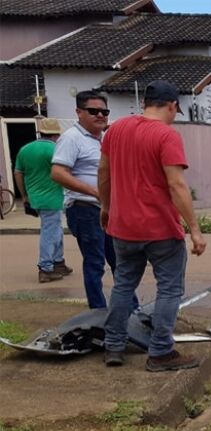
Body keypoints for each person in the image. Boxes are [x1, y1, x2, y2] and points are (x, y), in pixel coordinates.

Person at [99, 80, 206, 372]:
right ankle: (160, 353)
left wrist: (107, 208)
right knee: (169, 290)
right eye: (176, 110)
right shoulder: (166, 135)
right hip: (160, 230)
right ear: (172, 105)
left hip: (122, 228)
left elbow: (103, 172)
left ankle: (114, 346)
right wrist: (194, 228)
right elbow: (176, 184)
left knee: (123, 285)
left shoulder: (116, 130)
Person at [51, 90, 115, 307]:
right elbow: (58, 173)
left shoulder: (104, 138)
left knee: (119, 261)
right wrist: (95, 192)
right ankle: (97, 312)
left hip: (107, 209)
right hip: (85, 209)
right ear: (79, 112)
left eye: (104, 111)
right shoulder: (72, 138)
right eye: (93, 111)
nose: (100, 115)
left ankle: (129, 308)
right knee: (95, 262)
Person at [14, 118, 71, 282]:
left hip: (35, 198)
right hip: (52, 197)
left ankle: (59, 262)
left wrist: (24, 195)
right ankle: (45, 268)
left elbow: (18, 173)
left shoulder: (25, 149)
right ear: (56, 134)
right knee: (50, 232)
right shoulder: (55, 149)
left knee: (56, 229)